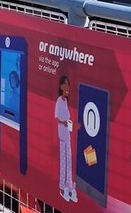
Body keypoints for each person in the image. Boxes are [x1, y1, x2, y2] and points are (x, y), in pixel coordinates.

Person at [55, 75, 79, 203]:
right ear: (61, 86)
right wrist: (63, 123)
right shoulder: (59, 101)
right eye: (65, 84)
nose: (67, 87)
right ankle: (63, 187)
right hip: (62, 135)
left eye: (68, 84)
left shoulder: (65, 101)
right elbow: (57, 117)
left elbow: (66, 117)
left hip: (67, 135)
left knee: (68, 161)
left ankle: (69, 186)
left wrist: (69, 123)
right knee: (64, 162)